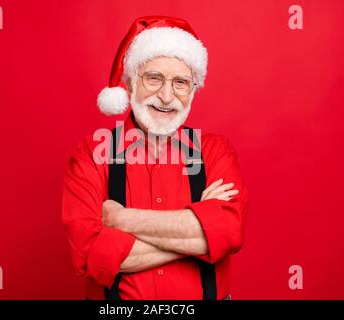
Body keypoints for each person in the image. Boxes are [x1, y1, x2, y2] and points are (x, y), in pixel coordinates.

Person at [62, 16, 250, 300]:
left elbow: (228, 234)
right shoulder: (92, 155)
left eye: (180, 82)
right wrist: (198, 236)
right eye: (154, 78)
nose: (165, 95)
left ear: (193, 90)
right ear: (130, 83)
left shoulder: (215, 152)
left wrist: (122, 220)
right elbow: (89, 255)